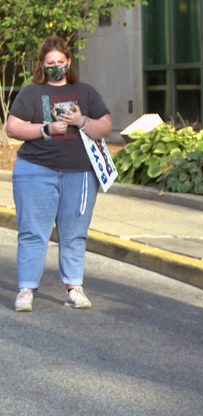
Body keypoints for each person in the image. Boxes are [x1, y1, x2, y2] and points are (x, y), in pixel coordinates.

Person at [7, 36, 112, 312]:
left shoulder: (85, 92)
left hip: (79, 174)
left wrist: (81, 121)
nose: (56, 67)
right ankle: (26, 290)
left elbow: (105, 126)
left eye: (60, 62)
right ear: (42, 65)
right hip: (35, 171)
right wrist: (46, 129)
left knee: (75, 233)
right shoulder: (30, 93)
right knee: (32, 233)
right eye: (50, 62)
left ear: (68, 63)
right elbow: (13, 127)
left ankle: (74, 288)